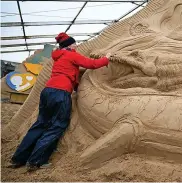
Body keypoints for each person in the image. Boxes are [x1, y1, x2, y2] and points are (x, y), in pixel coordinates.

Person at [8, 32, 111, 172]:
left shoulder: (60, 56)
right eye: (74, 43)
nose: (77, 45)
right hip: (60, 92)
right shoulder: (72, 54)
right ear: (69, 45)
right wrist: (107, 58)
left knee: (40, 124)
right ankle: (36, 161)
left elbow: (69, 70)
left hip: (48, 91)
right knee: (57, 125)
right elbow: (91, 64)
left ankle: (18, 159)